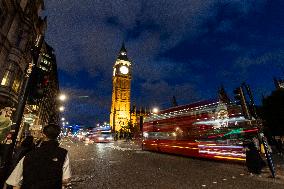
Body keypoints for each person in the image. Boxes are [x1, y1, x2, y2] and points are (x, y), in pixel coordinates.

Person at [6, 124, 71, 189]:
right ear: (57, 135)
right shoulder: (63, 153)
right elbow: (66, 180)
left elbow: (13, 181)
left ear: (44, 135)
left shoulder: (30, 154)